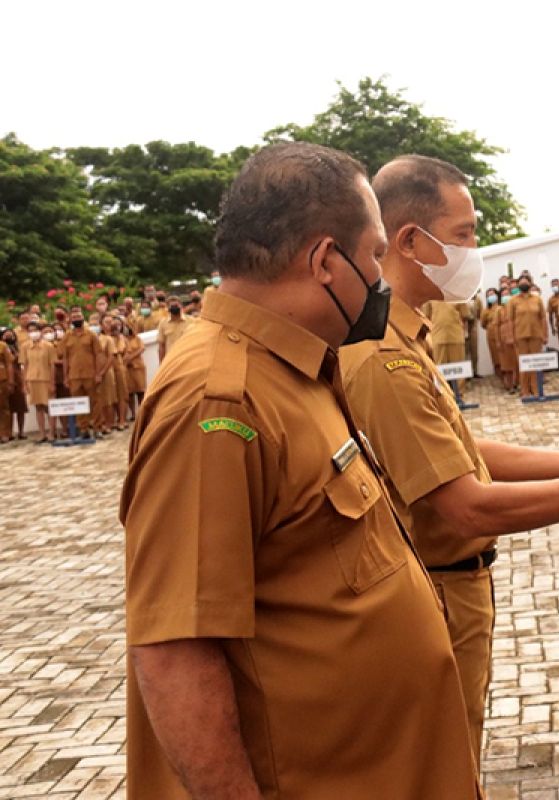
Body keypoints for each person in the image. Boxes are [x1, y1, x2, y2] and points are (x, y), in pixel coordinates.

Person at [120, 142, 482, 799]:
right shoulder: (218, 400)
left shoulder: (298, 368)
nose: (380, 275)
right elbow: (176, 646)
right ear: (324, 261)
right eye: (373, 255)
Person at [342, 153, 559, 762]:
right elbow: (467, 508)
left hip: (456, 589)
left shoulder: (405, 336)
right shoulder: (383, 359)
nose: (475, 251)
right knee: (444, 765)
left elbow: (458, 451)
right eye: (463, 235)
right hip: (436, 594)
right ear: (410, 240)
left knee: (457, 748)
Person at [62, 308, 102, 439]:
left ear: (83, 318)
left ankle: (97, 428)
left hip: (90, 374)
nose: (76, 319)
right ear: (70, 320)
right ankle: (83, 429)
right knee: (78, 403)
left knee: (95, 402)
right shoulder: (67, 336)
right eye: (74, 317)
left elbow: (97, 355)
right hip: (74, 376)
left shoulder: (91, 335)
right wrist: (66, 376)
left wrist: (98, 373)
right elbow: (65, 358)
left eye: (78, 317)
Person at [508, 276, 548, 397]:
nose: (524, 283)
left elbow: (542, 317)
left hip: (536, 335)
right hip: (520, 336)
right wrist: (511, 335)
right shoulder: (513, 300)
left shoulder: (537, 299)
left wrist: (545, 334)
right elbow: (510, 320)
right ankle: (524, 390)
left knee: (535, 363)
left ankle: (536, 389)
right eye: (521, 282)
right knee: (524, 363)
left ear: (530, 284)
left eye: (526, 282)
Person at [22, 323, 57, 442]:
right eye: (30, 330)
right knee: (38, 407)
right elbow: (25, 365)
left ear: (40, 331)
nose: (33, 332)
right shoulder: (25, 346)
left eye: (35, 330)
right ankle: (42, 433)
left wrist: (52, 383)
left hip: (46, 379)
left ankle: (52, 432)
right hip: (32, 379)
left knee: (50, 407)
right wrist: (24, 383)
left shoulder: (48, 346)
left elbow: (52, 365)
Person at [156, 296, 189, 362]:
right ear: (167, 308)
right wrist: (161, 364)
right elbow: (161, 346)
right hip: (171, 361)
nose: (174, 308)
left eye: (176, 305)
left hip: (187, 360)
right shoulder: (163, 323)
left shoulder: (191, 321)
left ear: (181, 306)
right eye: (172, 306)